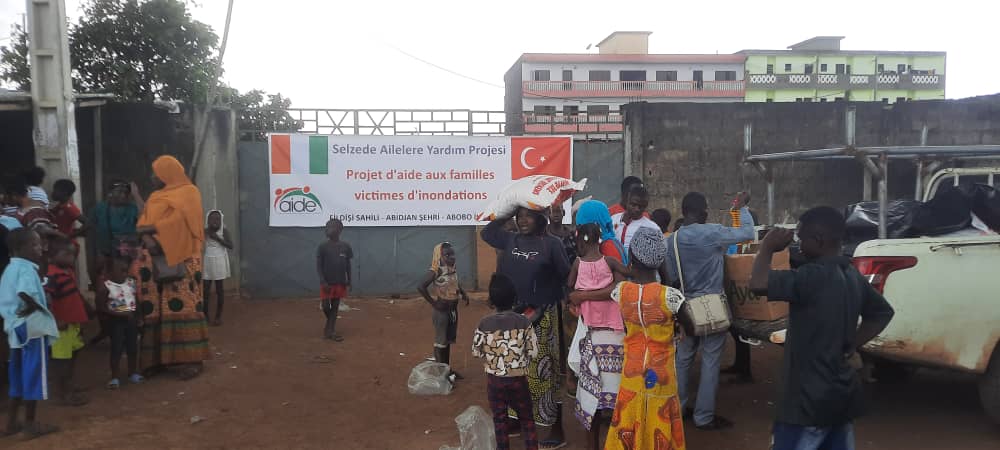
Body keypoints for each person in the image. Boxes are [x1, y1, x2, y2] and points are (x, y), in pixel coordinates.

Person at [750, 207, 895, 450]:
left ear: (818, 239)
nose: (798, 245)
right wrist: (851, 344)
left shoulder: (811, 276)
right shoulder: (851, 274)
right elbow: (882, 313)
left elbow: (758, 283)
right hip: (840, 398)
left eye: (801, 238)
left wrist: (767, 247)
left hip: (805, 403)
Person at [571, 227, 687, 450]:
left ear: (631, 256)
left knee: (631, 411)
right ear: (661, 260)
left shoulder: (622, 292)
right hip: (661, 373)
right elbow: (689, 325)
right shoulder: (671, 297)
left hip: (632, 370)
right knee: (659, 412)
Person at [482, 207, 571, 450]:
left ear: (539, 218)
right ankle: (516, 420)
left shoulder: (552, 244)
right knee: (513, 369)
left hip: (542, 317)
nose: (522, 220)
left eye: (527, 215)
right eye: (519, 215)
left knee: (545, 374)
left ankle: (556, 429)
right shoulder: (510, 239)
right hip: (512, 315)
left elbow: (566, 276)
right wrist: (508, 210)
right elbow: (487, 233)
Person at [666, 191, 753, 430]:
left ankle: (679, 408)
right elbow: (747, 233)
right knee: (711, 360)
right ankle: (704, 417)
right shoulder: (712, 232)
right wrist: (741, 209)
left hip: (686, 308)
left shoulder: (671, 240)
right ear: (703, 211)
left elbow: (671, 278)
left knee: (683, 359)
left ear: (683, 211)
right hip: (713, 306)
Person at [134, 155, 209, 380]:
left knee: (182, 303)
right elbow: (143, 220)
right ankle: (156, 360)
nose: (151, 177)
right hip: (153, 258)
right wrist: (147, 238)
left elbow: (179, 222)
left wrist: (148, 232)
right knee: (155, 306)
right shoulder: (155, 197)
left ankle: (192, 359)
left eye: (155, 172)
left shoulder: (189, 193)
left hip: (182, 256)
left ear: (167, 173)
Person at [566, 223, 628, 448]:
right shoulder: (610, 261)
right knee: (618, 393)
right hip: (614, 330)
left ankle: (592, 445)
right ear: (600, 239)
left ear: (580, 241)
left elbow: (570, 287)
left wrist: (581, 296)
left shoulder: (577, 263)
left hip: (590, 330)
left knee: (591, 394)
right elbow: (626, 276)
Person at [0, 228, 59, 438]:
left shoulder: (9, 269)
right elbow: (24, 292)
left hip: (15, 328)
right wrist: (34, 306)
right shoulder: (26, 269)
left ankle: (10, 424)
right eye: (34, 244)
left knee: (17, 375)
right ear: (19, 249)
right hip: (32, 328)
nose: (40, 248)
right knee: (33, 374)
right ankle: (30, 425)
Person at [473, 273, 540, 450]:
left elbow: (476, 352)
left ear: (491, 301)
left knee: (500, 420)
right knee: (527, 419)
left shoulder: (484, 324)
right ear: (514, 298)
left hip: (495, 381)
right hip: (518, 379)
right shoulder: (524, 322)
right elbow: (533, 352)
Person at [44, 238, 90, 406]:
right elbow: (46, 300)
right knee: (62, 361)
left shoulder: (68, 271)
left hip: (72, 324)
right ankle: (64, 393)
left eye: (72, 254)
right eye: (66, 254)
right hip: (61, 326)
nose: (71, 257)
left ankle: (69, 385)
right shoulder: (52, 275)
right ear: (52, 256)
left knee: (73, 355)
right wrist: (56, 320)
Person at [417, 242, 470, 381]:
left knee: (447, 342)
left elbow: (455, 282)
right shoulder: (436, 270)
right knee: (440, 343)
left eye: (453, 254)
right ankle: (442, 375)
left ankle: (447, 370)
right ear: (439, 256)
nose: (452, 257)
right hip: (442, 312)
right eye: (447, 254)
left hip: (452, 311)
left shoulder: (452, 268)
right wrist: (434, 303)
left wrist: (463, 293)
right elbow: (421, 286)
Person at [97, 252, 143, 389]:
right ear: (110, 273)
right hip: (116, 322)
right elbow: (101, 307)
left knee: (132, 347)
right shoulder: (106, 286)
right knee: (116, 349)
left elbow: (136, 300)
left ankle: (132, 373)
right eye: (121, 271)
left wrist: (139, 316)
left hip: (131, 320)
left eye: (126, 270)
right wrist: (118, 314)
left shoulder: (130, 283)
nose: (125, 274)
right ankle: (114, 377)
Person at [316, 217, 352, 341]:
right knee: (326, 306)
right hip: (327, 283)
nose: (328, 230)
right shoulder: (322, 247)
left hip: (340, 282)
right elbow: (319, 266)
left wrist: (349, 280)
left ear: (339, 230)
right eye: (327, 227)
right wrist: (323, 281)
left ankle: (330, 331)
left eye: (331, 227)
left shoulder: (345, 246)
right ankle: (330, 327)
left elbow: (348, 265)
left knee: (335, 306)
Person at [203, 210, 233, 327]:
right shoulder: (205, 231)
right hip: (208, 261)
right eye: (212, 219)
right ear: (207, 220)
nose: (214, 221)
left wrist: (217, 238)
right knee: (205, 290)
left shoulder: (223, 231)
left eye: (217, 219)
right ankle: (205, 316)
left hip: (219, 261)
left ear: (221, 220)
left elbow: (231, 246)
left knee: (219, 290)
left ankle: (218, 317)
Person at [612, 185, 660, 249]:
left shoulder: (652, 228)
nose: (637, 209)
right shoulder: (613, 220)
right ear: (627, 201)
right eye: (633, 205)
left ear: (645, 206)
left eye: (641, 206)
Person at [49, 179, 87, 250]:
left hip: (66, 246)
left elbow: (88, 223)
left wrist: (72, 235)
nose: (53, 192)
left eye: (55, 190)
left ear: (64, 192)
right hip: (59, 244)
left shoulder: (70, 208)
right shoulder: (58, 207)